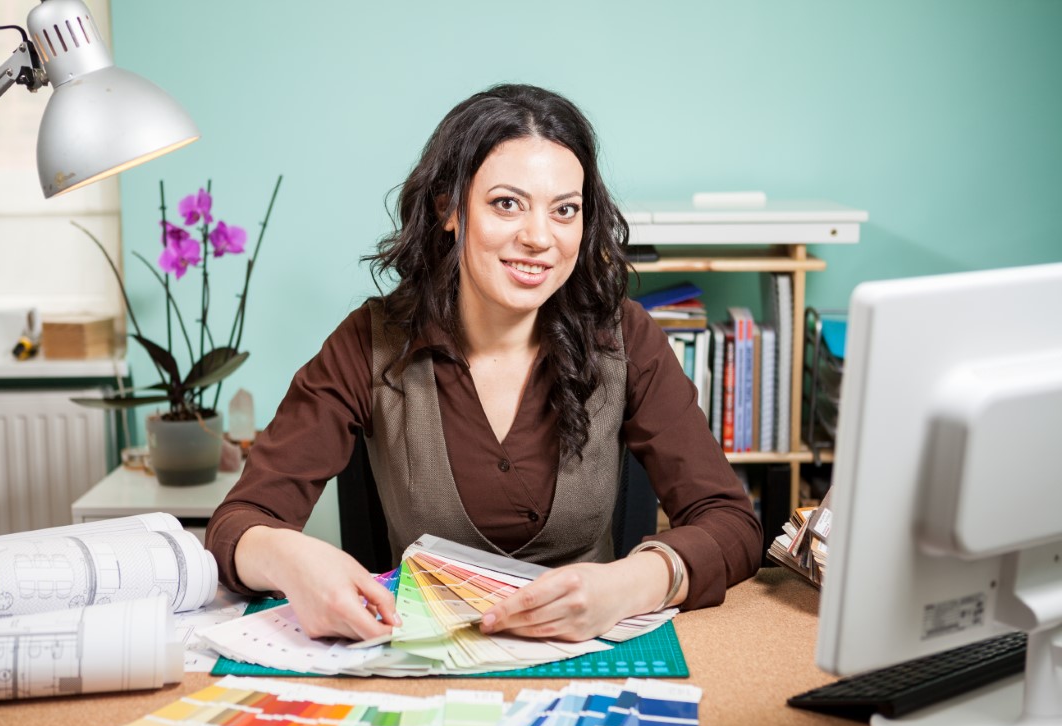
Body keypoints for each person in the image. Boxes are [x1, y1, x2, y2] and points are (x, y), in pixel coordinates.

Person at [205, 83, 762, 644]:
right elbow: (240, 522)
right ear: (450, 208)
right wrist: (290, 558)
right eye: (506, 203)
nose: (539, 238)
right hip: (423, 671)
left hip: (590, 666)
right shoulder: (367, 343)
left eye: (565, 210)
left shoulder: (627, 339)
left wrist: (632, 584)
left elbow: (732, 524)